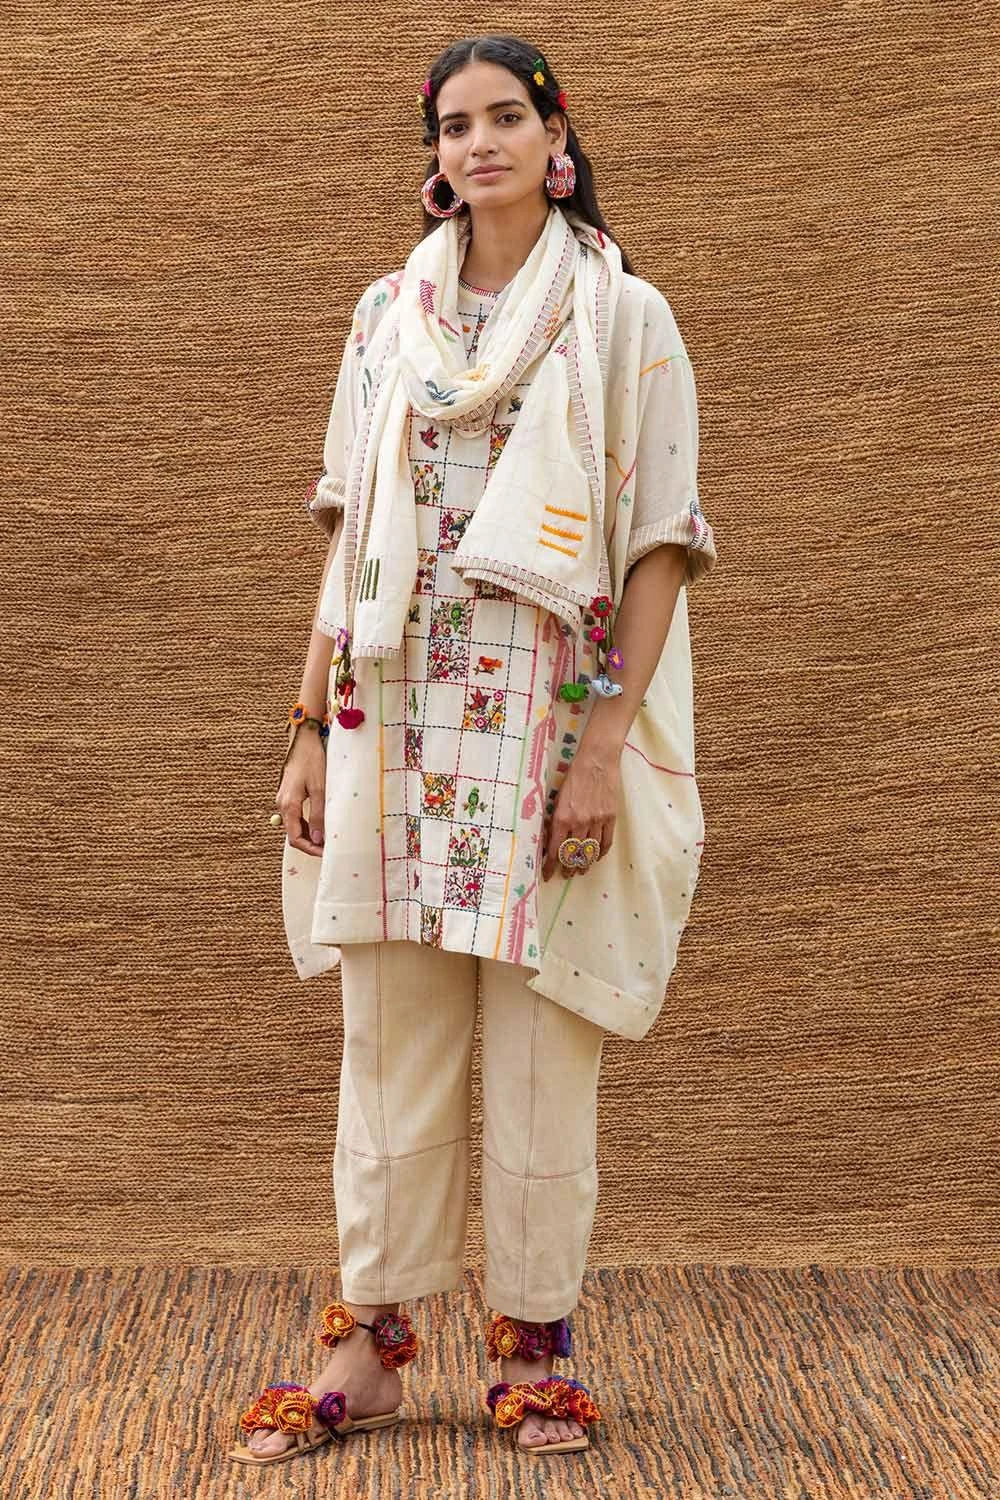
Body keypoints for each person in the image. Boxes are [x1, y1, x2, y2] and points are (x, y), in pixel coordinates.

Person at [230, 32, 717, 1469]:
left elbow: (659, 546)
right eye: (455, 124)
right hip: (395, 720)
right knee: (387, 1047)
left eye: (509, 116)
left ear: (557, 139)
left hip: (549, 729)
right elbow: (347, 538)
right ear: (434, 153)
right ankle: (368, 1344)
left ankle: (534, 1341)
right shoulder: (389, 316)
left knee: (544, 1045)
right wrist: (309, 728)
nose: (481, 141)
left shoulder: (624, 319)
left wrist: (603, 747)